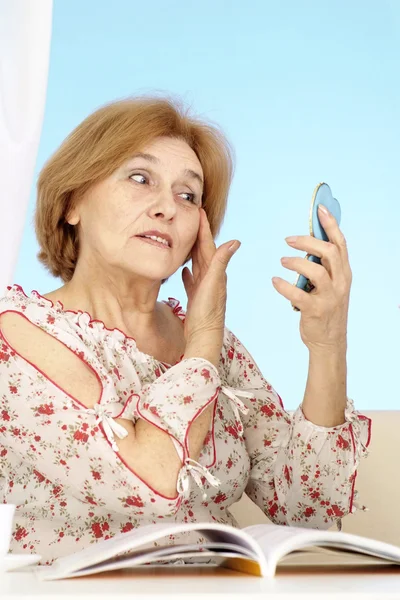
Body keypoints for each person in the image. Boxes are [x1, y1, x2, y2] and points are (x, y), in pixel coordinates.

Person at [0, 97, 370, 564]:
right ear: (72, 202)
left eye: (188, 195)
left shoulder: (214, 344)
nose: (167, 209)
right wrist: (203, 340)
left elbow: (309, 509)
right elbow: (153, 478)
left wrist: (328, 342)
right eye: (140, 178)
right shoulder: (16, 335)